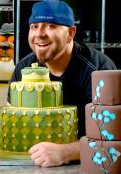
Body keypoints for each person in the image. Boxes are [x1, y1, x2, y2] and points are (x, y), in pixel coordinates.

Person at [8, 0, 117, 167]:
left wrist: (66, 152)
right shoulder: (24, 68)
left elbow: (112, 136)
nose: (40, 33)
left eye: (51, 26)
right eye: (34, 26)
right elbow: (11, 122)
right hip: (32, 160)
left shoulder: (98, 70)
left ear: (71, 33)